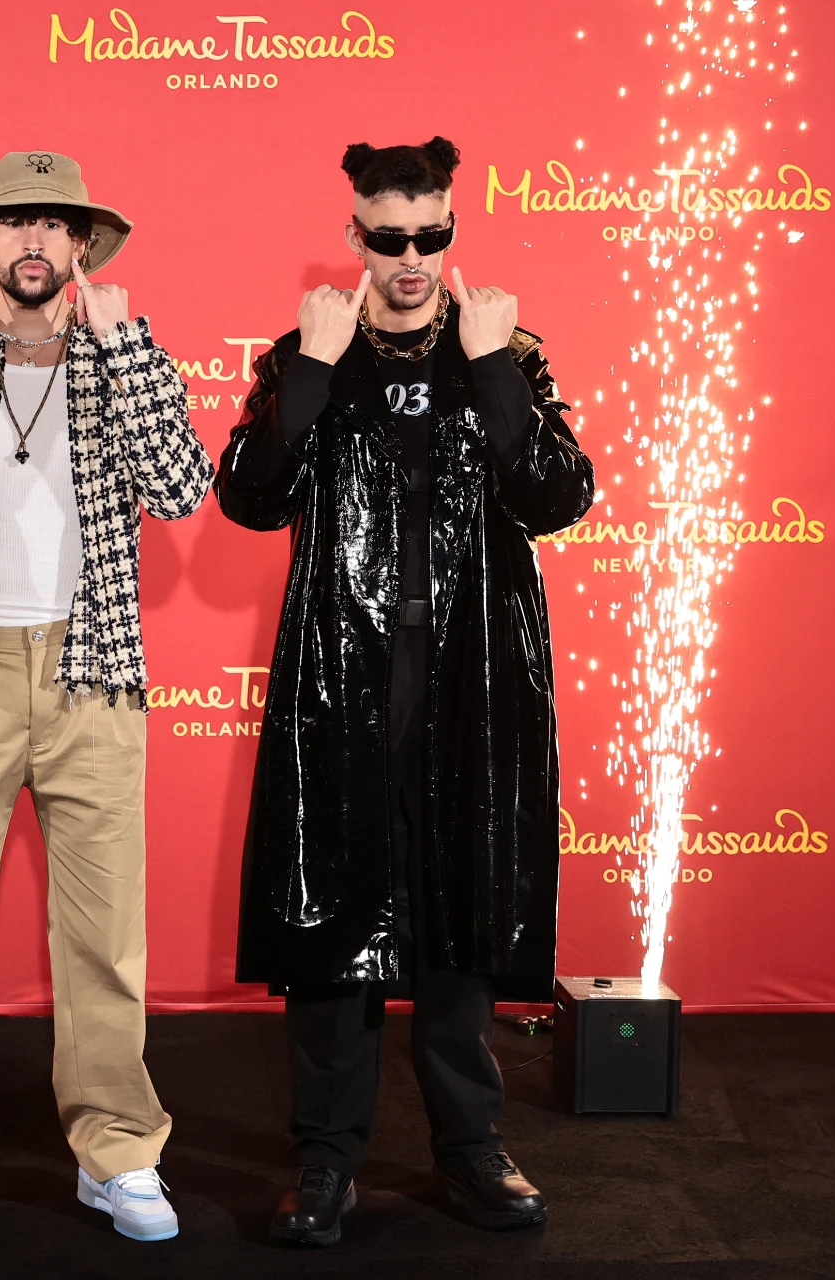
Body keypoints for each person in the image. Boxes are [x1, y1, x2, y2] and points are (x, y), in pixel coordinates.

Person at [216, 137, 595, 1246]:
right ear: (357, 238)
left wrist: (493, 366)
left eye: (432, 235)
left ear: (452, 230)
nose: (413, 259)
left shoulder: (505, 352)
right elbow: (248, 497)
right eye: (391, 239)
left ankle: (472, 1149)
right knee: (334, 915)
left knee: (462, 916)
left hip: (474, 682)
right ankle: (326, 1158)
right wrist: (313, 369)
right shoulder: (309, 353)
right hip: (341, 682)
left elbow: (558, 497)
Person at [0, 150, 213, 1247]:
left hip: (92, 666)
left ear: (81, 245)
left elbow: (181, 486)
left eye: (53, 224)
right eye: (12, 222)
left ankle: (120, 1153)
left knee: (106, 934)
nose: (32, 241)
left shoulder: (125, 354)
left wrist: (124, 343)